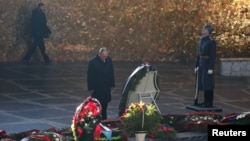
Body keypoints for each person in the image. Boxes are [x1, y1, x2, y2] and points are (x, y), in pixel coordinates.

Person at [87, 47, 115, 120]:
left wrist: (112, 84)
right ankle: (97, 119)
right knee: (97, 105)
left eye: (106, 56)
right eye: (103, 56)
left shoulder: (109, 60)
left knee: (105, 105)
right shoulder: (92, 62)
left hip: (106, 87)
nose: (105, 57)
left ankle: (104, 120)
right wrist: (91, 88)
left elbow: (111, 72)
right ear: (99, 54)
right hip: (97, 88)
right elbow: (90, 76)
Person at [194, 23, 216, 108]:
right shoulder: (201, 40)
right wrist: (196, 65)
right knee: (203, 83)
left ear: (208, 31)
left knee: (208, 84)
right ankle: (205, 101)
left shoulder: (211, 42)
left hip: (207, 64)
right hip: (201, 63)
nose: (202, 30)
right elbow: (198, 54)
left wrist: (210, 68)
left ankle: (209, 102)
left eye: (204, 29)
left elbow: (212, 56)